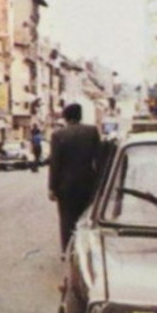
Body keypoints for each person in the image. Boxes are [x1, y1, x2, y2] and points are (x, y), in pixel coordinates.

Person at [48, 102, 105, 249]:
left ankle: (67, 249)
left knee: (67, 219)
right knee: (87, 217)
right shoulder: (92, 132)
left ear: (65, 117)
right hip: (88, 183)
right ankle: (86, 248)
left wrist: (52, 188)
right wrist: (100, 183)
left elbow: (55, 164)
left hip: (65, 185)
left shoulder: (58, 135)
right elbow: (99, 159)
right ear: (80, 116)